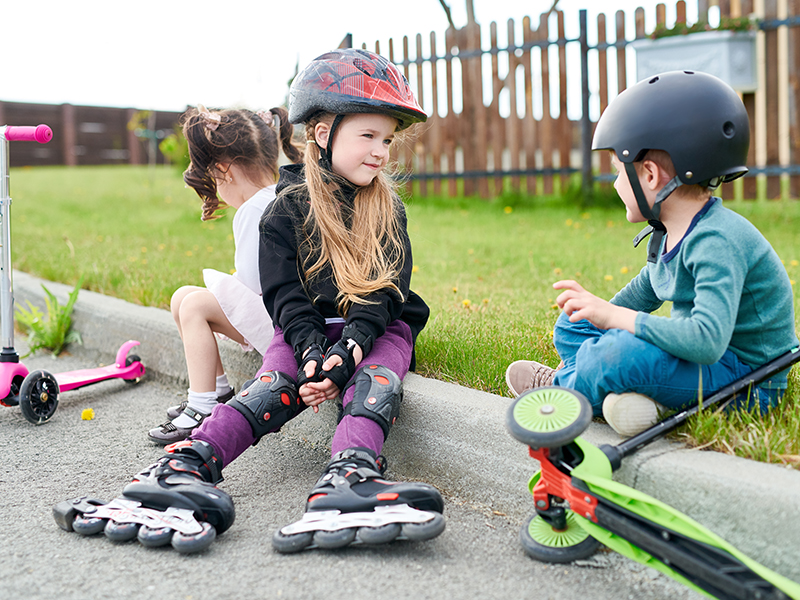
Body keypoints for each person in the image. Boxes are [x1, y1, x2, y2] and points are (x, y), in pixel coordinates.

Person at [59, 49, 444, 553]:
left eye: (387, 140)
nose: (380, 152)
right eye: (367, 136)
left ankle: (350, 476)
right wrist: (310, 354)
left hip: (376, 326)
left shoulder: (387, 208)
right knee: (271, 387)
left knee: (376, 383)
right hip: (304, 327)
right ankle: (187, 463)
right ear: (323, 135)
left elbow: (385, 289)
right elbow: (285, 296)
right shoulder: (284, 209)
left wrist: (349, 350)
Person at [506, 70, 798, 437]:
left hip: (746, 382)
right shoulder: (670, 234)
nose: (614, 184)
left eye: (617, 172)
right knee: (574, 324)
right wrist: (598, 311)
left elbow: (706, 340)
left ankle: (567, 391)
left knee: (617, 350)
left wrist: (614, 320)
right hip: (707, 364)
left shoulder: (717, 241)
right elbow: (638, 297)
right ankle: (611, 390)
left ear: (649, 175)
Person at [148, 105, 303, 444]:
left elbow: (253, 283)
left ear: (225, 171)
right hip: (289, 314)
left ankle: (202, 405)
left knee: (192, 305)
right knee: (184, 297)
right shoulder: (281, 195)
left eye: (215, 180)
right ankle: (216, 391)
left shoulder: (253, 210)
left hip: (279, 321)